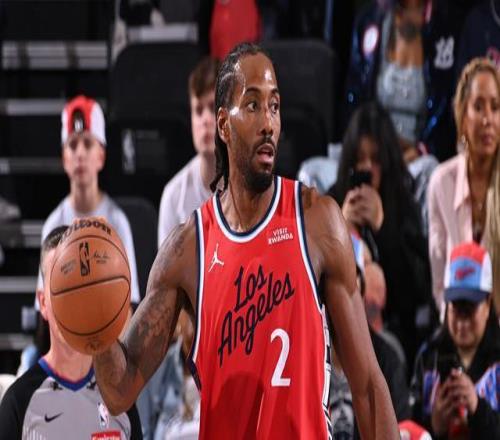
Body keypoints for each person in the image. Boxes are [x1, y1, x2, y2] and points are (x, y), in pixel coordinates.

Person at [92, 43, 399, 439]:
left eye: (274, 106)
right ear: (223, 124)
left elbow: (369, 387)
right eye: (252, 105)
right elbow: (120, 390)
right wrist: (97, 327)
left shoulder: (317, 221)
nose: (268, 122)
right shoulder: (187, 250)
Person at [0, 226, 143, 439]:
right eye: (62, 286)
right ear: (43, 303)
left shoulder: (119, 399)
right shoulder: (18, 402)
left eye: (80, 285)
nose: (73, 304)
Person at [328, 101, 431, 369]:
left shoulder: (404, 203)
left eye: (375, 160)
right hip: (336, 332)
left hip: (392, 336)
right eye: (359, 158)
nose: (367, 167)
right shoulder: (330, 202)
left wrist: (383, 229)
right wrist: (342, 229)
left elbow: (417, 292)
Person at [345, 0, 482, 162]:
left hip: (420, 159)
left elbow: (449, 111)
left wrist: (421, 151)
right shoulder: (369, 21)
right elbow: (355, 97)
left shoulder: (448, 27)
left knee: (428, 167)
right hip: (374, 155)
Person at [39, 94, 140, 306]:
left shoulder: (118, 222)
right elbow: (44, 306)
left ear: (101, 156)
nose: (80, 154)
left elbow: (130, 304)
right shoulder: (53, 225)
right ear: (64, 158)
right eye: (72, 145)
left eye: (87, 143)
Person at [428, 57, 500, 317]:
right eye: (478, 107)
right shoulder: (441, 183)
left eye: (495, 107)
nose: (487, 119)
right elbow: (440, 284)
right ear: (462, 115)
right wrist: (461, 327)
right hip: (458, 325)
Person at [410, 241, 500, 438]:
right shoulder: (428, 357)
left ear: (488, 304)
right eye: (456, 309)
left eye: (469, 310)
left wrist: (477, 408)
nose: (462, 322)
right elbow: (407, 426)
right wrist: (433, 425)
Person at [329, 232, 410, 439]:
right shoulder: (304, 355)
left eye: (349, 278)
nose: (339, 288)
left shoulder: (388, 359)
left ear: (362, 289)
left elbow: (403, 429)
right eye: (331, 278)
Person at [157, 56, 219, 247]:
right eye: (198, 110)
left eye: (213, 108)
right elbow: (165, 267)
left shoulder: (249, 189)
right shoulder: (174, 196)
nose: (205, 120)